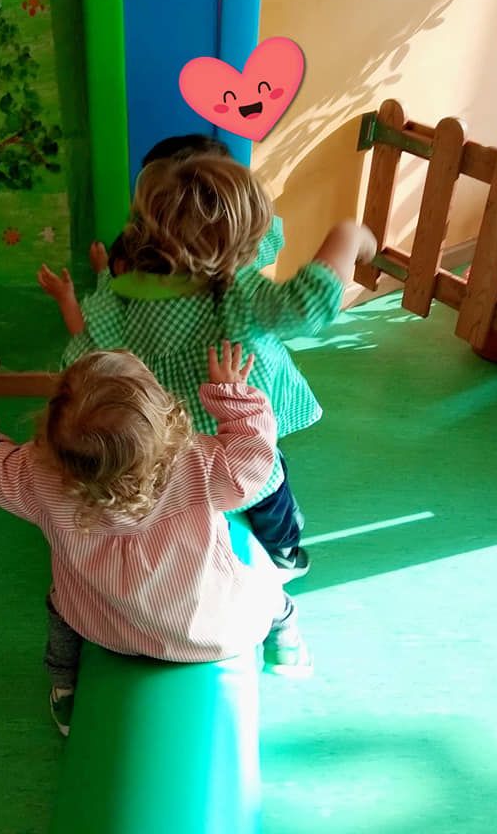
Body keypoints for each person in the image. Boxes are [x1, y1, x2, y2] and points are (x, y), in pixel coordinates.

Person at [0, 328, 309, 735]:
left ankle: (64, 686)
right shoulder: (199, 465)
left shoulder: (34, 476)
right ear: (164, 415)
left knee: (61, 609)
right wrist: (232, 394)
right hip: (215, 631)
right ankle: (285, 644)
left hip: (104, 628)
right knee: (267, 586)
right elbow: (256, 458)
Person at [39, 141, 377, 574]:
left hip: (170, 440)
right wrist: (347, 236)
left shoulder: (123, 294)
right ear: (241, 244)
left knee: (185, 492)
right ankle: (285, 552)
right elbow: (306, 306)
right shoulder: (237, 293)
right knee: (268, 485)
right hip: (236, 428)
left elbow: (87, 348)